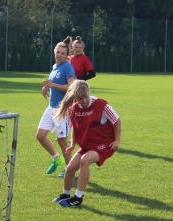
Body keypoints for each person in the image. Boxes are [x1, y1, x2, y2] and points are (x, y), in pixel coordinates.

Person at [52, 79, 121, 207]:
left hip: (105, 144)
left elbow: (116, 120)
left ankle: (78, 197)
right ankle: (65, 194)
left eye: (85, 97)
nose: (83, 101)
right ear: (75, 98)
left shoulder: (102, 105)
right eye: (79, 99)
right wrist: (72, 145)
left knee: (85, 160)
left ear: (89, 93)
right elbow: (75, 129)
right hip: (87, 145)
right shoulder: (74, 109)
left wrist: (117, 140)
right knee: (71, 167)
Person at [36, 36, 76, 178]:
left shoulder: (68, 67)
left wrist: (53, 85)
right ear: (54, 52)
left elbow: (72, 87)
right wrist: (45, 88)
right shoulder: (55, 67)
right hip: (51, 107)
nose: (59, 55)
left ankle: (69, 168)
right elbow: (52, 83)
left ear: (66, 56)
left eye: (62, 53)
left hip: (62, 110)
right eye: (58, 52)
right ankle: (57, 159)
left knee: (62, 141)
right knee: (40, 136)